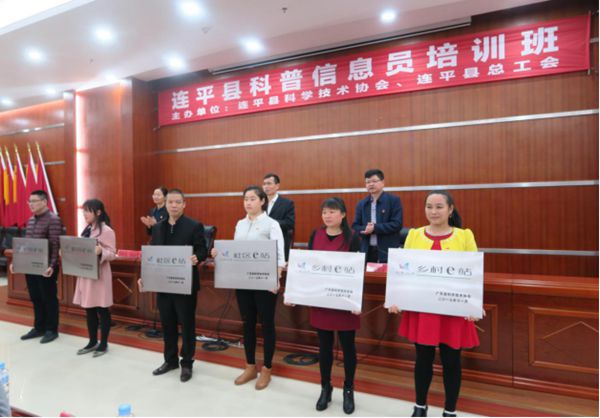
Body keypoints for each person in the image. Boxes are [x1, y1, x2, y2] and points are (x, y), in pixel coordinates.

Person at [388, 190, 482, 417]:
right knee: (423, 360)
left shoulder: (464, 236)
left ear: (450, 209)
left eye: (439, 207)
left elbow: (473, 273)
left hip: (453, 310)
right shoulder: (414, 235)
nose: (434, 211)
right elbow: (403, 271)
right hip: (424, 310)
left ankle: (450, 410)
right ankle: (420, 405)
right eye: (429, 206)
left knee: (452, 362)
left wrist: (474, 304)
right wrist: (396, 298)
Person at [289, 197, 361, 414]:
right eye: (324, 212)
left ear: (343, 214)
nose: (327, 216)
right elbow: (310, 268)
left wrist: (355, 299)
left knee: (348, 347)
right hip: (321, 300)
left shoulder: (353, 237)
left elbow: (357, 270)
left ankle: (348, 389)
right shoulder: (316, 234)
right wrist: (296, 292)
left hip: (344, 301)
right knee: (324, 347)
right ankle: (325, 387)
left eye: (332, 211)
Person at [211, 185, 285, 390]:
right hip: (243, 281)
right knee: (247, 323)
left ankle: (267, 369)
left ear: (262, 201)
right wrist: (220, 254)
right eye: (245, 199)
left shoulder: (272, 224)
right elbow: (237, 251)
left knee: (267, 325)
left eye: (252, 199)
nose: (248, 203)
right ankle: (250, 366)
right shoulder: (240, 224)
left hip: (264, 282)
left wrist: (276, 278)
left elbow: (280, 256)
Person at [139, 188, 207, 382]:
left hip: (185, 285)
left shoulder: (194, 226)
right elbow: (153, 255)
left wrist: (197, 257)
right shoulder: (158, 227)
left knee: (187, 325)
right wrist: (144, 276)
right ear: (165, 204)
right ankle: (170, 361)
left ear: (184, 204)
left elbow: (203, 250)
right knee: (167, 324)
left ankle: (187, 363)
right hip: (164, 284)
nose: (174, 205)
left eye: (178, 202)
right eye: (170, 202)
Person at [11, 190, 63, 344]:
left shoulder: (53, 219)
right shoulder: (31, 220)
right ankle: (39, 327)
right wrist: (16, 261)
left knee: (49, 298)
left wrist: (52, 265)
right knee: (35, 297)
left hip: (46, 267)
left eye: (34, 201)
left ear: (44, 202)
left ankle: (51, 329)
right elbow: (27, 244)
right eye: (29, 201)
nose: (30, 204)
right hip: (31, 265)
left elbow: (56, 245)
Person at [72, 199, 116, 357]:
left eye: (88, 211)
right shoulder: (87, 229)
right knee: (89, 309)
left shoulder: (107, 230)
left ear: (98, 212)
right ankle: (92, 341)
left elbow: (112, 253)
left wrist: (101, 251)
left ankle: (103, 344)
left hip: (100, 276)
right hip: (86, 274)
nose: (84, 214)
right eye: (83, 210)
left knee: (102, 309)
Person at [352, 169, 402, 263]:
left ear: (382, 182)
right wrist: (365, 229)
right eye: (368, 182)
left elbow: (397, 224)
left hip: (387, 251)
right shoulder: (362, 204)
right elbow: (355, 226)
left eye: (374, 181)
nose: (371, 184)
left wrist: (375, 228)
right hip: (367, 250)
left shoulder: (394, 200)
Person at [262, 173, 295, 261]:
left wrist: (270, 223)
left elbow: (290, 223)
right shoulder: (260, 203)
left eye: (269, 183)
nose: (266, 186)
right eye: (264, 184)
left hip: (279, 244)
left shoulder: (287, 203)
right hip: (262, 244)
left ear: (277, 186)